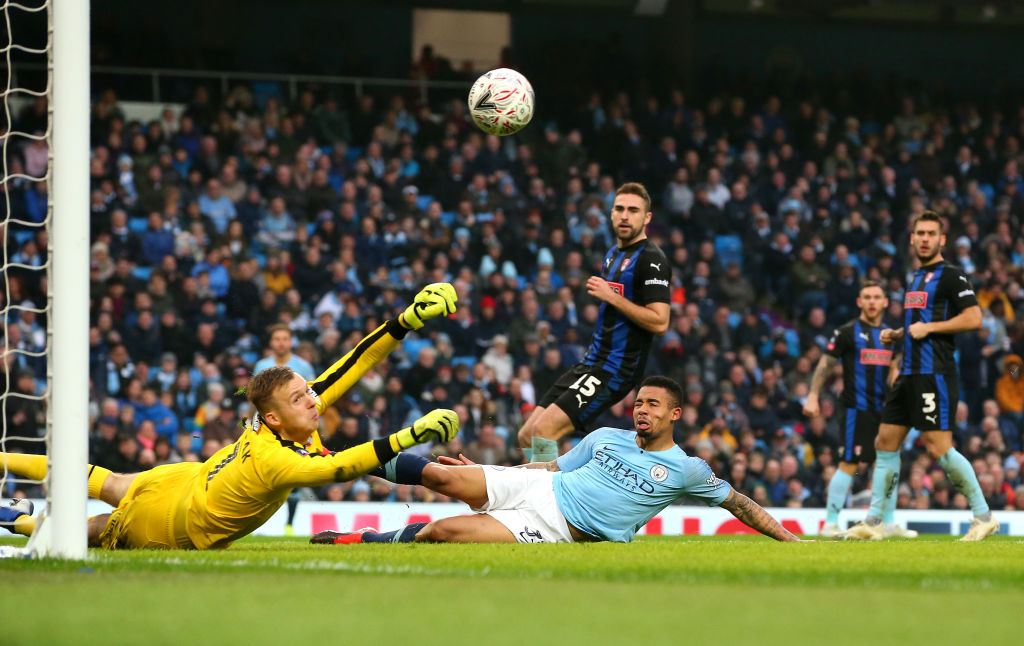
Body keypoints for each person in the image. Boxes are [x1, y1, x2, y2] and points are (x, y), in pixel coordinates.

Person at [0, 285, 460, 549]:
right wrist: (409, 435)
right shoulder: (275, 460)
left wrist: (404, 321)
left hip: (187, 478)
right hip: (173, 521)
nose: (314, 400)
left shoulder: (273, 418)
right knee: (92, 532)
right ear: (276, 418)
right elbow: (337, 467)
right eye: (302, 398)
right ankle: (15, 520)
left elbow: (353, 364)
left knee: (110, 481)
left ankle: (5, 466)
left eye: (308, 392)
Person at [311, 376, 805, 545]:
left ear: (675, 414)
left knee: (444, 532)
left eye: (652, 405)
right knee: (442, 475)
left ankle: (359, 539)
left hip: (557, 529)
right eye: (637, 403)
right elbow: (550, 468)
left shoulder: (688, 469)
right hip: (540, 489)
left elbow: (739, 503)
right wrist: (498, 472)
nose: (641, 410)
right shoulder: (607, 436)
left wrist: (788, 538)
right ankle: (328, 456)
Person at [843, 212, 997, 541]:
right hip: (908, 373)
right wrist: (900, 334)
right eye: (919, 233)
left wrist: (930, 327)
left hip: (934, 375)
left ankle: (983, 516)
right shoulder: (917, 276)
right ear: (912, 239)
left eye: (931, 233)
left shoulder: (951, 275)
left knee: (938, 448)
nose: (925, 238)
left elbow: (973, 318)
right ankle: (875, 522)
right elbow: (920, 326)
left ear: (942, 240)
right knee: (885, 442)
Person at [517, 182, 670, 462]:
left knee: (543, 431)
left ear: (647, 217)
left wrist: (611, 297)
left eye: (633, 210)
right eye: (619, 209)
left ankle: (547, 501)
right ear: (610, 214)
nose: (625, 216)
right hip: (592, 360)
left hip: (615, 368)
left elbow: (660, 322)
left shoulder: (652, 260)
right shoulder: (613, 253)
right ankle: (552, 488)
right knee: (527, 434)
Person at [803, 281, 912, 538]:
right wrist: (813, 395)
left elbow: (894, 368)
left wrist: (895, 375)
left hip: (885, 411)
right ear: (859, 302)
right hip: (855, 408)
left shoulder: (891, 335)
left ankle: (888, 523)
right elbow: (825, 365)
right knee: (849, 463)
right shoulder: (847, 332)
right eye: (867, 297)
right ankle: (830, 522)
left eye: (877, 297)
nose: (872, 302)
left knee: (890, 463)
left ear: (886, 302)